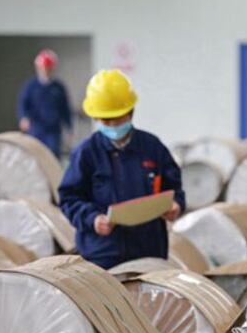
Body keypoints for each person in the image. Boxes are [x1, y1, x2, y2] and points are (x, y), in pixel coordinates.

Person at [58, 69, 185, 269]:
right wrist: (93, 219)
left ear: (130, 112)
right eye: (105, 120)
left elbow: (174, 188)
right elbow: (69, 199)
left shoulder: (152, 148)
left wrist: (176, 205)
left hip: (149, 253)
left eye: (117, 118)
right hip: (101, 256)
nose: (112, 125)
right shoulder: (86, 153)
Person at [17, 49, 73, 158]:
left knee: (53, 155)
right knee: (35, 154)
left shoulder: (58, 87)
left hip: (53, 129)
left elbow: (65, 108)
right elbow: (23, 103)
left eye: (48, 68)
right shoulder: (30, 86)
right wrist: (23, 118)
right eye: (43, 68)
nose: (45, 70)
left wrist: (69, 126)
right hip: (36, 128)